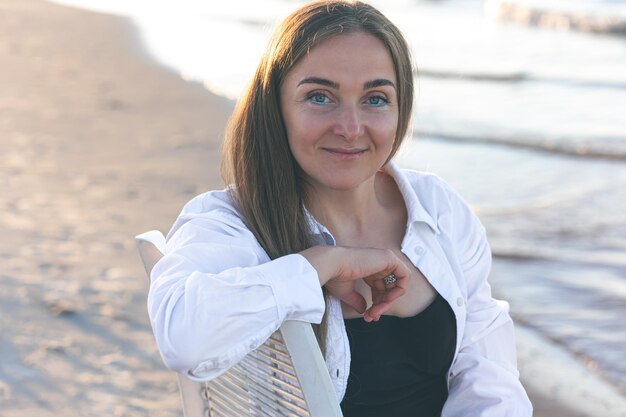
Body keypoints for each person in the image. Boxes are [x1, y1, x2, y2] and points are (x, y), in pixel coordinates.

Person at [147, 1, 532, 415]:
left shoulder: (439, 210)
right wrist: (320, 265)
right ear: (275, 107)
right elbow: (184, 337)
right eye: (320, 96)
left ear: (401, 110)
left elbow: (488, 374)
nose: (350, 128)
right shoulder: (234, 222)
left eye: (376, 99)